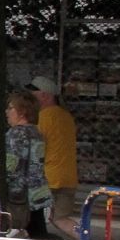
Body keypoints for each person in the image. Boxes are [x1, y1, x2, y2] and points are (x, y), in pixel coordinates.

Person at [26, 75, 78, 222]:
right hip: (68, 177)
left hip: (48, 178)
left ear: (44, 95)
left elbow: (36, 147)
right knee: (61, 218)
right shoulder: (66, 116)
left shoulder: (43, 117)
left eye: (33, 94)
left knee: (32, 219)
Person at [5, 89, 52, 240]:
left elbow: (12, 166)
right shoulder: (36, 132)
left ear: (22, 111)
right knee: (37, 230)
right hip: (38, 190)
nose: (7, 112)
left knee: (29, 231)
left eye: (11, 108)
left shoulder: (16, 134)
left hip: (21, 194)